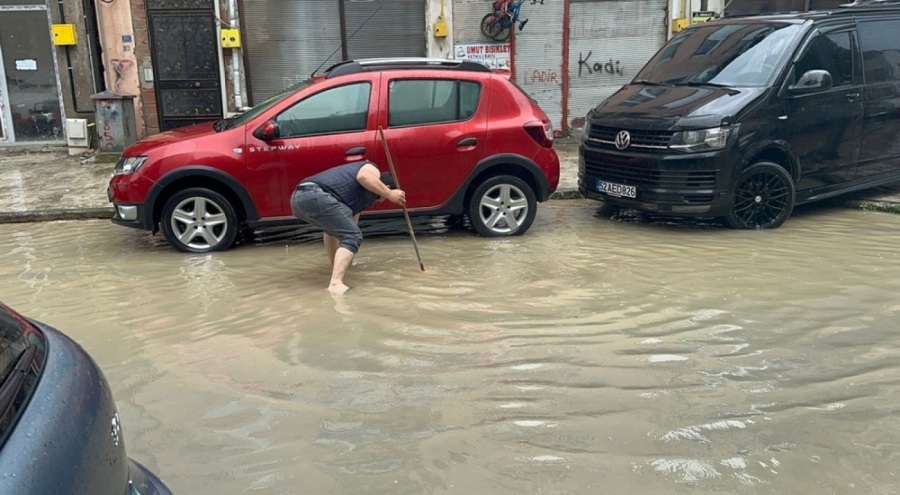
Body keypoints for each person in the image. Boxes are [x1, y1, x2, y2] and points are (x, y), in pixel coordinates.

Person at [290, 161, 406, 295]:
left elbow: (345, 231)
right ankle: (335, 283)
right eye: (384, 195)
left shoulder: (359, 200)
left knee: (337, 232)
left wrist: (346, 264)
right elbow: (363, 177)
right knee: (353, 236)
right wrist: (390, 194)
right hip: (315, 194)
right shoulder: (371, 168)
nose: (382, 201)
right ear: (384, 186)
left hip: (298, 199)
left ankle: (335, 271)